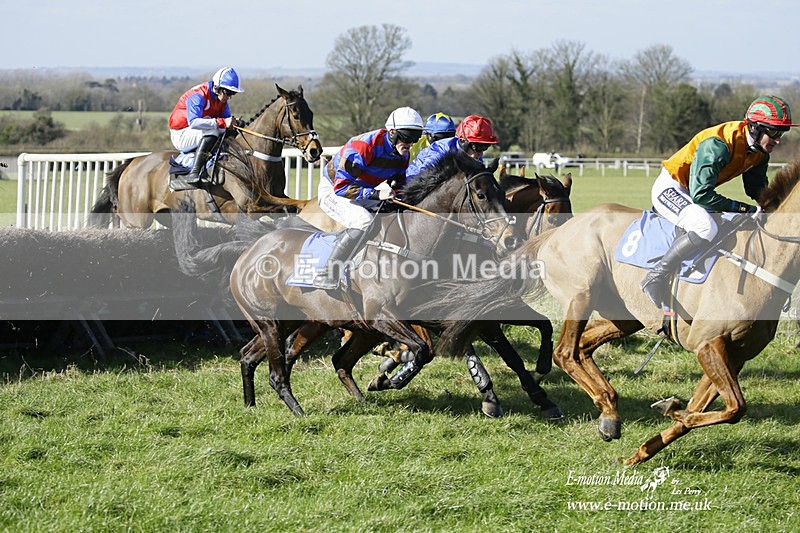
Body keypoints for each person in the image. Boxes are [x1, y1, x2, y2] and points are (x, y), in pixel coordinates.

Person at [640, 95, 797, 308]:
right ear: (755, 128)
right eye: (774, 132)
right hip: (672, 187)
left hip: (694, 190)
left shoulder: (759, 152)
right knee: (705, 227)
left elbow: (756, 189)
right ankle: (655, 276)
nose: (778, 140)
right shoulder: (718, 145)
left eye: (782, 133)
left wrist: (774, 210)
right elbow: (702, 195)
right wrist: (744, 208)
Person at [314, 106, 424, 289]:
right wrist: (378, 194)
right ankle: (326, 272)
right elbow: (341, 188)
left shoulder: (403, 155)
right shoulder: (364, 146)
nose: (410, 143)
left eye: (415, 138)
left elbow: (400, 184)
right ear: (392, 132)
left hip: (362, 189)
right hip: (334, 190)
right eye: (407, 137)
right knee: (364, 221)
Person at [168, 67, 244, 184]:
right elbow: (193, 122)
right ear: (218, 88)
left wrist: (234, 123)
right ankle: (194, 172)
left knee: (227, 130)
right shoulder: (198, 96)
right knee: (213, 131)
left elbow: (226, 123)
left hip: (198, 132)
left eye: (233, 93)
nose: (230, 97)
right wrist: (222, 123)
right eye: (228, 93)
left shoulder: (222, 101)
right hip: (181, 134)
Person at [405, 114, 499, 184]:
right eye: (478, 147)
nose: (481, 153)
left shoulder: (473, 156)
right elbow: (419, 182)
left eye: (485, 147)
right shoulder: (438, 153)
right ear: (463, 141)